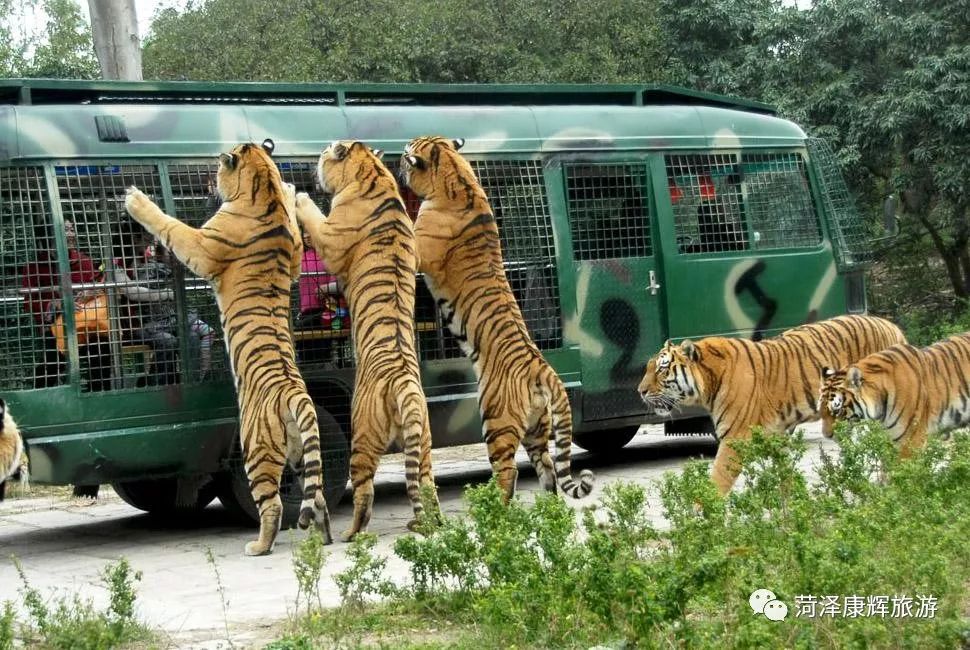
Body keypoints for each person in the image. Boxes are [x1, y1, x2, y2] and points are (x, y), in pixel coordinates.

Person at [109, 220, 214, 385]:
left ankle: (192, 382)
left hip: (161, 319)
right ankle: (159, 385)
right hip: (136, 324)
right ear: (134, 238)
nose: (152, 240)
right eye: (148, 236)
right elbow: (132, 293)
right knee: (167, 341)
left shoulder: (147, 258)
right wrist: (164, 294)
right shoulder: (115, 263)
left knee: (192, 336)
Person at [21, 219, 111, 390]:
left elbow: (98, 288)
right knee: (52, 361)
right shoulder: (34, 267)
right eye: (66, 230)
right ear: (50, 235)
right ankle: (40, 398)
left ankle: (98, 396)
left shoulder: (84, 261)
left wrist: (90, 293)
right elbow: (29, 303)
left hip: (85, 325)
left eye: (72, 230)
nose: (71, 235)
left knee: (101, 351)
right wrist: (55, 304)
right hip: (55, 328)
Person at [296, 231, 350, 365]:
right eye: (304, 233)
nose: (307, 236)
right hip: (306, 313)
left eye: (310, 232)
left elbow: (341, 283)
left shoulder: (329, 257)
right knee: (305, 348)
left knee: (321, 349)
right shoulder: (300, 257)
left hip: (327, 312)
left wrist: (326, 288)